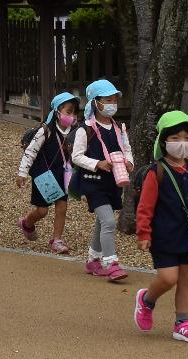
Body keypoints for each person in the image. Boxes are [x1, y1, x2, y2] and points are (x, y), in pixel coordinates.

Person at [132, 111, 188, 343]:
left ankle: (182, 323)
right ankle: (146, 300)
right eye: (176, 138)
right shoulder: (157, 172)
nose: (182, 143)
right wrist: (143, 232)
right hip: (164, 234)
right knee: (168, 278)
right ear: (164, 141)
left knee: (186, 278)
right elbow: (145, 206)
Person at [70, 78, 133, 283]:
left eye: (114, 98)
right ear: (95, 102)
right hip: (92, 182)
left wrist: (129, 162)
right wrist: (98, 163)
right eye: (107, 99)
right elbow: (76, 156)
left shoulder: (119, 128)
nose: (112, 103)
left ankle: (93, 260)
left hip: (113, 181)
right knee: (108, 221)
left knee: (101, 221)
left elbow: (127, 149)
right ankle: (111, 263)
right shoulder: (84, 129)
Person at [16, 91, 79, 254]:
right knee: (42, 210)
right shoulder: (45, 131)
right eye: (68, 111)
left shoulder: (75, 131)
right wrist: (22, 172)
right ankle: (27, 223)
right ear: (57, 112)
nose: (72, 115)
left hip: (63, 173)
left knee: (62, 207)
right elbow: (31, 151)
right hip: (44, 175)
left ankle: (57, 239)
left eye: (74, 112)